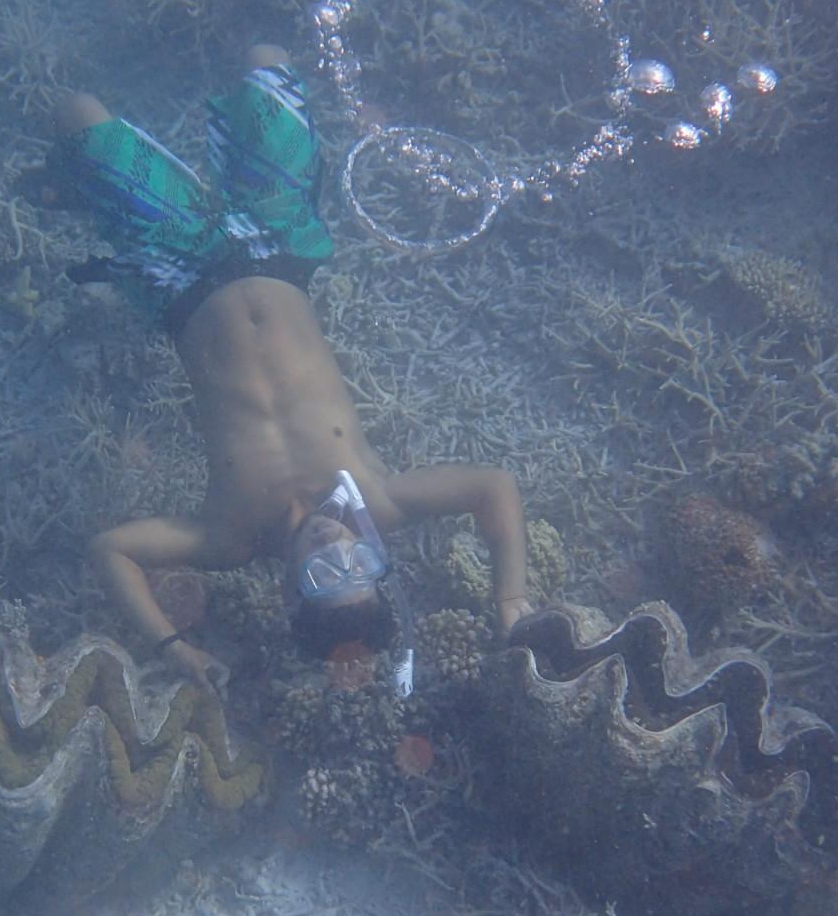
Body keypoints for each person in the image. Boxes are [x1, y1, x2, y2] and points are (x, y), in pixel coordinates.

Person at [39, 45, 529, 698]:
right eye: (362, 563)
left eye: (328, 575)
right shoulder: (376, 501)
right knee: (266, 59)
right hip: (277, 244)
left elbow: (111, 550)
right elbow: (493, 486)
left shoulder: (228, 538)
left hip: (177, 275)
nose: (339, 547)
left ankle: (94, 181)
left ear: (290, 594)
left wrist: (176, 649)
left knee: (75, 115)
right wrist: (510, 598)